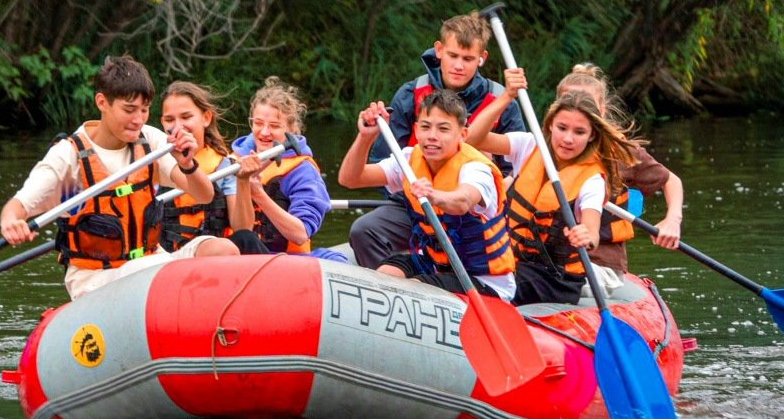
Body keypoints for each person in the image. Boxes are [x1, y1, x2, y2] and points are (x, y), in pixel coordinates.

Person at [0, 56, 239, 300]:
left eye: (145, 110)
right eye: (129, 110)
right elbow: (17, 207)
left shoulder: (149, 140)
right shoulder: (68, 156)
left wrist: (187, 164)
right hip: (94, 282)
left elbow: (204, 194)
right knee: (147, 270)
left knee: (224, 250)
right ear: (102, 102)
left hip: (152, 265)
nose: (138, 120)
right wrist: (12, 223)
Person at [349, 11, 525, 269]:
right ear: (439, 50)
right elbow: (381, 161)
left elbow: (517, 172)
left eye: (467, 59)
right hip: (418, 202)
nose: (458, 66)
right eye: (453, 56)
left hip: (473, 211)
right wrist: (416, 199)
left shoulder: (502, 102)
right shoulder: (411, 94)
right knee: (363, 230)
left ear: (482, 59)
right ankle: (399, 287)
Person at [466, 75, 638, 305]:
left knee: (495, 278)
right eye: (562, 128)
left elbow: (592, 229)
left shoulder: (591, 179)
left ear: (591, 136)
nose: (568, 139)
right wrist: (506, 96)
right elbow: (473, 139)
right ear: (549, 125)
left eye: (579, 132)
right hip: (516, 261)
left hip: (557, 278)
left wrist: (586, 235)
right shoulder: (529, 146)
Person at [338, 89, 517, 298]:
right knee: (385, 275)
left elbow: (463, 200)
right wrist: (366, 137)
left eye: (443, 129)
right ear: (416, 129)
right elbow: (350, 179)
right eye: (425, 127)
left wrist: (434, 196)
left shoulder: (476, 168)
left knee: (414, 288)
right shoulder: (408, 159)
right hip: (434, 263)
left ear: (462, 134)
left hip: (482, 279)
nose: (432, 136)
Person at [553, 64, 684, 272]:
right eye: (568, 104)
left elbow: (671, 181)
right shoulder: (540, 149)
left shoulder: (622, 153)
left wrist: (672, 220)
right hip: (548, 258)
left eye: (588, 107)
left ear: (601, 111)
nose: (577, 110)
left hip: (600, 263)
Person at [230, 77, 347, 261]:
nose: (264, 132)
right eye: (258, 123)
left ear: (292, 129)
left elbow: (300, 234)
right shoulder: (230, 162)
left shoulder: (302, 171)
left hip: (286, 261)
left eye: (275, 126)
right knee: (242, 239)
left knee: (245, 239)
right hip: (236, 254)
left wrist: (259, 194)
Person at [159, 81, 268, 254]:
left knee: (247, 239)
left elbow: (243, 228)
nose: (178, 126)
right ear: (162, 123)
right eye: (170, 120)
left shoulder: (224, 166)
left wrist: (243, 180)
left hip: (217, 256)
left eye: (186, 117)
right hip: (168, 259)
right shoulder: (155, 162)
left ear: (206, 118)